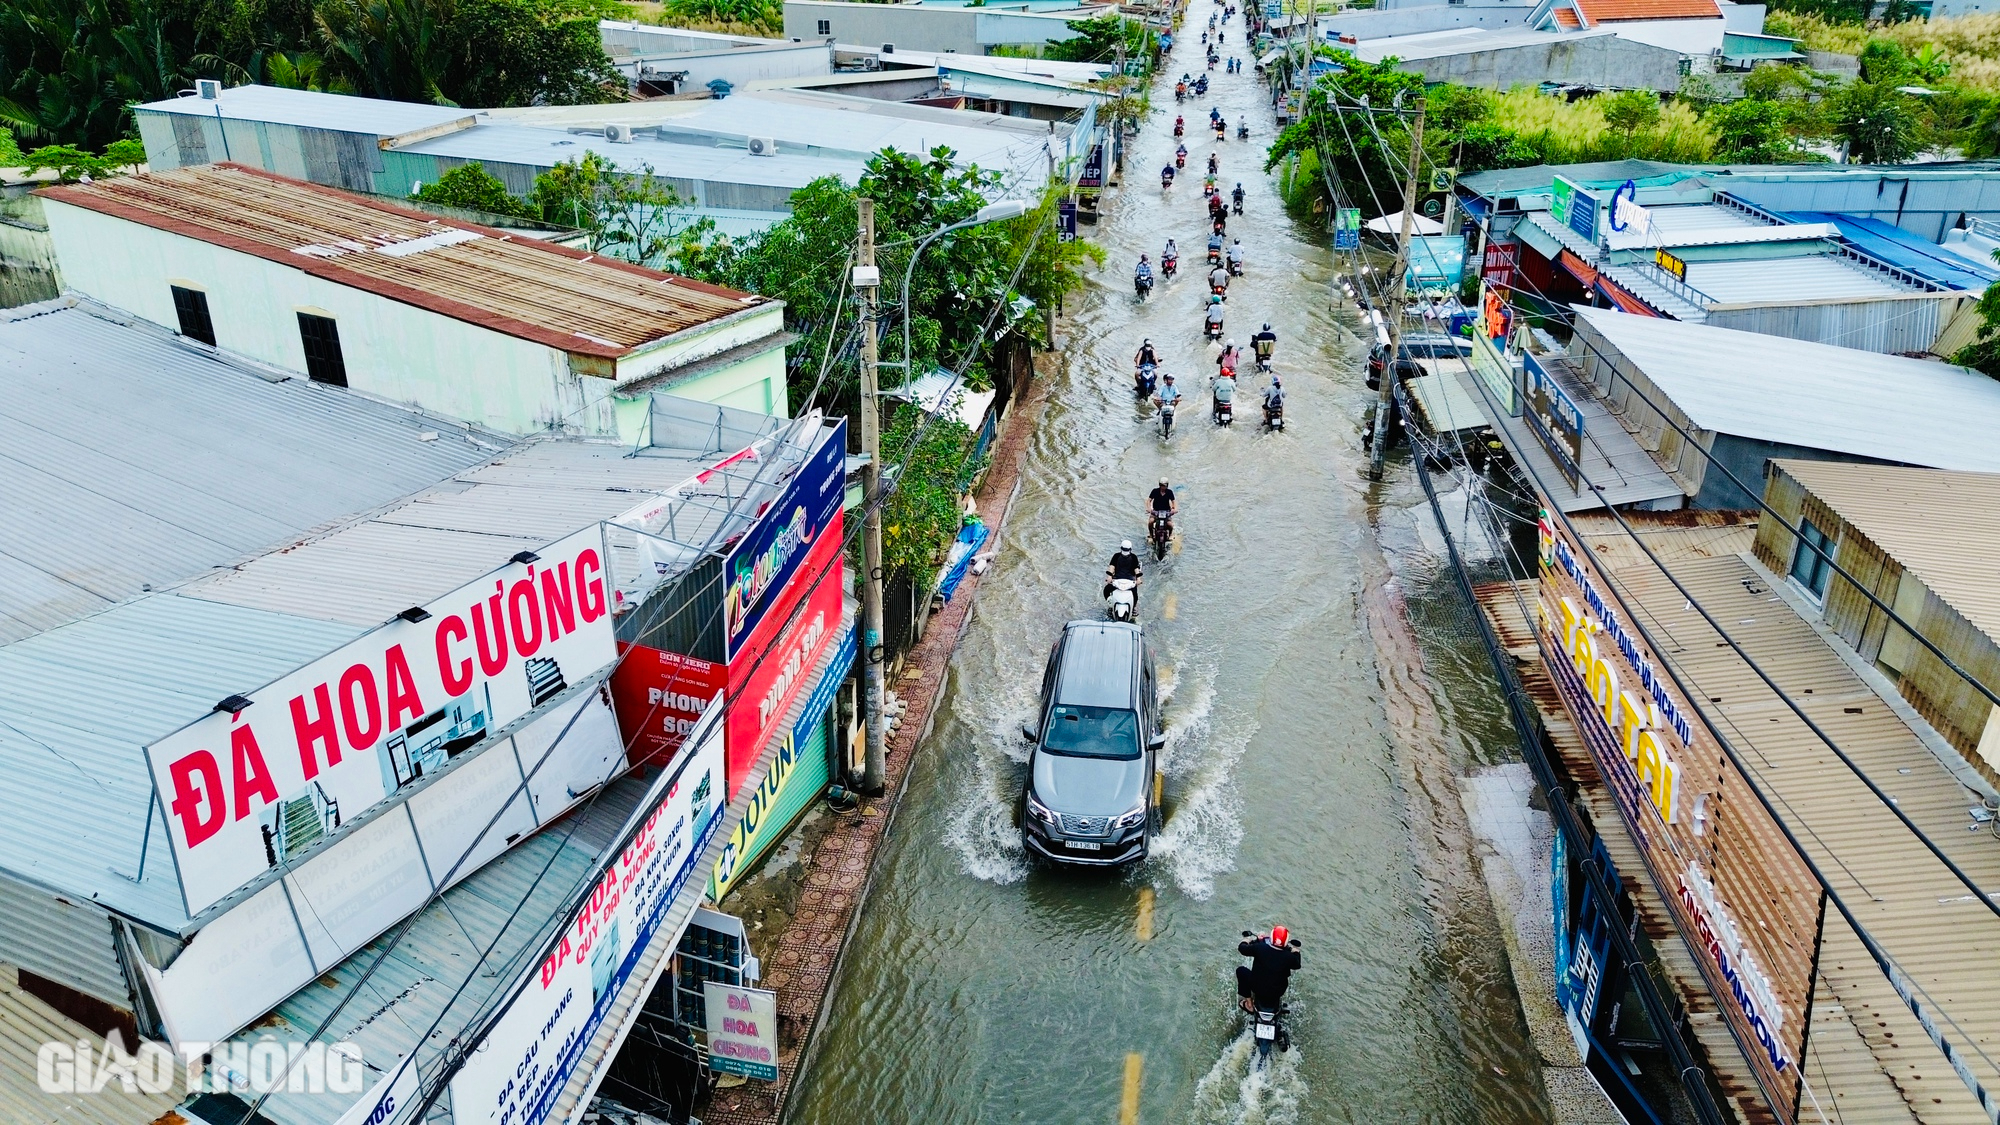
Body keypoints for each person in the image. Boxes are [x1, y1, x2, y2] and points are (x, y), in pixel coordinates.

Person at [1237, 927, 1303, 1013]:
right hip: (1278, 992)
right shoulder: (1290, 957)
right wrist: (1296, 951)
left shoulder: (1259, 948)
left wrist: (1246, 940)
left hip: (1257, 987)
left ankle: (1249, 1005)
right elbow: (1297, 965)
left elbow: (1242, 949)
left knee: (1241, 971)